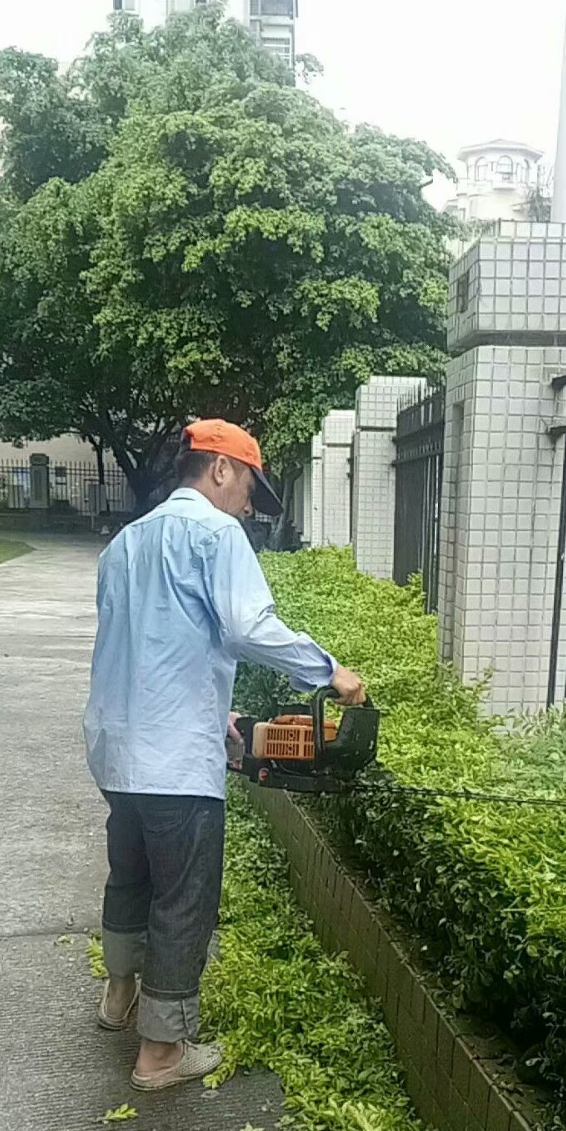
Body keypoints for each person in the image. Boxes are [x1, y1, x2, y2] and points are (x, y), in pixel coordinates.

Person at [83, 418, 365, 1092]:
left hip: (117, 753)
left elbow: (148, 648)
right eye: (248, 489)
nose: (247, 506)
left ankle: (119, 996)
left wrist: (221, 714)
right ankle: (161, 1053)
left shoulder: (124, 544)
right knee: (184, 899)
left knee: (131, 876)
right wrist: (330, 672)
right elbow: (247, 626)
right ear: (220, 469)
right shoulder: (216, 534)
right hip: (175, 762)